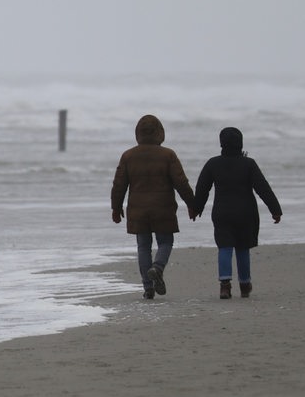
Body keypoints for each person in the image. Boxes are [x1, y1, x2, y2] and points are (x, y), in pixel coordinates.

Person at [111, 114, 196, 299]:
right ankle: (157, 267)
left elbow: (119, 185)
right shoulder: (168, 155)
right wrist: (192, 204)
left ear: (137, 133)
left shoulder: (128, 156)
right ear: (160, 133)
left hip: (138, 210)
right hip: (163, 208)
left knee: (143, 246)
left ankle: (148, 288)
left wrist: (115, 208)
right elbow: (181, 182)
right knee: (165, 242)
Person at [192, 127, 282, 299]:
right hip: (245, 213)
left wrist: (196, 208)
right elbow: (263, 188)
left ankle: (225, 286)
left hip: (222, 213)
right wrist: (275, 210)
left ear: (221, 143)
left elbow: (202, 188)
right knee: (242, 248)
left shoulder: (213, 163)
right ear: (241, 143)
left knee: (224, 247)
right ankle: (245, 284)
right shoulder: (249, 164)